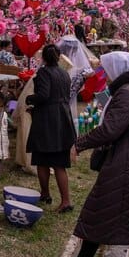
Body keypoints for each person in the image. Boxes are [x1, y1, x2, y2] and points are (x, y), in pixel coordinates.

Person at [52, 52, 129, 257]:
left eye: (107, 68)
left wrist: (80, 143)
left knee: (99, 210)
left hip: (126, 162)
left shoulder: (128, 93)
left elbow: (111, 129)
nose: (105, 74)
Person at [26, 44, 76, 212]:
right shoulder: (64, 73)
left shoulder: (44, 72)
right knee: (59, 162)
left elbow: (44, 95)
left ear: (44, 58)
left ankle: (47, 194)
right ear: (59, 56)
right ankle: (65, 199)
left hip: (48, 122)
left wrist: (30, 99)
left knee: (42, 160)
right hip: (63, 118)